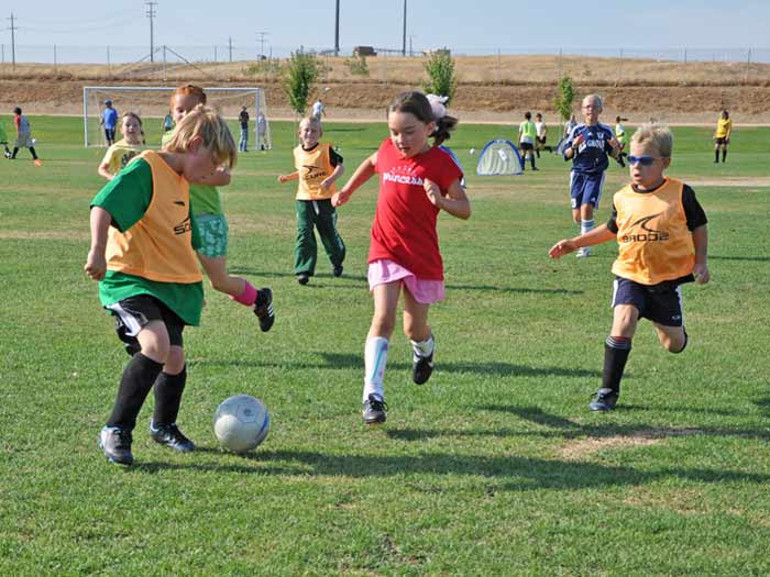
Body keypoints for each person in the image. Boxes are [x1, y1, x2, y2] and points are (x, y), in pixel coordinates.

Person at [85, 105, 237, 465]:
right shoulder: (147, 167)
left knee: (175, 357)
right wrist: (96, 251)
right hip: (130, 276)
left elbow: (186, 236)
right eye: (213, 162)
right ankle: (116, 429)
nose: (214, 172)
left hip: (169, 282)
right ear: (196, 144)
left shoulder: (183, 182)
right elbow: (102, 206)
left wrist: (199, 284)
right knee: (156, 344)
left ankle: (163, 425)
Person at [332, 91, 471, 425]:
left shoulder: (441, 163)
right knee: (383, 318)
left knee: (414, 327)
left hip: (421, 256)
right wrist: (348, 190)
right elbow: (370, 164)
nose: (400, 139)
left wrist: (439, 200)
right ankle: (372, 395)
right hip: (385, 248)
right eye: (395, 132)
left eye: (409, 132)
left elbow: (465, 209)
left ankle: (424, 350)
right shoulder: (387, 151)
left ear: (429, 127)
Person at [548, 124, 709, 412]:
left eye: (646, 161)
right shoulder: (623, 197)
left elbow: (699, 226)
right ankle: (607, 392)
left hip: (666, 280)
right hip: (630, 273)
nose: (636, 167)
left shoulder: (681, 194)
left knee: (673, 344)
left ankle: (672, 324)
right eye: (633, 159)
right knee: (623, 321)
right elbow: (612, 229)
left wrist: (700, 262)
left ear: (664, 163)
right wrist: (575, 242)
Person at [165, 84, 275, 331]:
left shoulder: (210, 142)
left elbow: (224, 177)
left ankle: (259, 299)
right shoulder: (168, 141)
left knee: (220, 281)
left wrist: (197, 176)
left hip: (208, 220)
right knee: (172, 270)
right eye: (179, 110)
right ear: (171, 113)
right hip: (177, 220)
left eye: (191, 110)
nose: (184, 115)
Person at [277, 116, 346, 285]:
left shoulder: (325, 150)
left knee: (328, 232)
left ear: (320, 133)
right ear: (300, 133)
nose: (310, 133)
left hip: (325, 199)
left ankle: (337, 260)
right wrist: (288, 177)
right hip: (304, 199)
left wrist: (330, 180)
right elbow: (303, 172)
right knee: (304, 232)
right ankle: (303, 270)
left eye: (314, 130)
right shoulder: (297, 152)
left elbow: (340, 167)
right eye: (306, 130)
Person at [562, 94, 620, 257]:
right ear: (582, 110)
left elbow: (615, 155)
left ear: (600, 110)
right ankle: (591, 233)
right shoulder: (576, 130)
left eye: (594, 107)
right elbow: (566, 155)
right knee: (577, 216)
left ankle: (584, 247)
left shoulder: (605, 131)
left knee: (587, 208)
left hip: (595, 174)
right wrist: (574, 146)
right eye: (587, 107)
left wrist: (615, 148)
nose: (590, 110)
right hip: (578, 174)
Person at [98, 112, 146, 180]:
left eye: (135, 125)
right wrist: (112, 178)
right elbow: (102, 169)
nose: (131, 127)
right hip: (122, 186)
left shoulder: (145, 150)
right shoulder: (115, 148)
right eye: (127, 125)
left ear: (140, 129)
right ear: (121, 129)